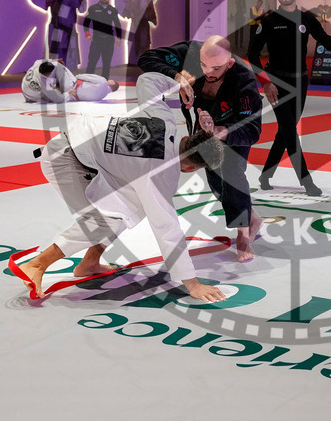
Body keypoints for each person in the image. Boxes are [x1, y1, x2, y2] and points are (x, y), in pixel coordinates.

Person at [14, 72, 228, 301]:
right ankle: (37, 265)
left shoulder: (164, 117)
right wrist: (193, 285)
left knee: (127, 208)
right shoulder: (162, 175)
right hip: (66, 161)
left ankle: (90, 262)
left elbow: (148, 80)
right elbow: (168, 230)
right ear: (192, 169)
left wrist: (177, 83)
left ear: (191, 136)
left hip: (76, 149)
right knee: (104, 221)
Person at [139, 36, 264, 261]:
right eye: (204, 65)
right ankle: (251, 217)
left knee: (233, 174)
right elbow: (147, 58)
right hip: (203, 123)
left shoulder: (244, 81)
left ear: (229, 64)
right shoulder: (190, 53)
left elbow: (253, 132)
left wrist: (220, 131)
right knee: (215, 179)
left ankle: (243, 234)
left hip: (232, 128)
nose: (208, 71)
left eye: (216, 68)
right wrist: (176, 76)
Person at [247, 0, 331, 196]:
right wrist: (266, 83)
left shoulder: (306, 19)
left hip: (300, 81)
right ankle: (307, 182)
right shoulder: (269, 21)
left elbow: (327, 41)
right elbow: (252, 54)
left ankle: (265, 175)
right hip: (277, 83)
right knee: (290, 132)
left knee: (285, 132)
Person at [21, 59, 119, 103]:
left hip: (26, 91)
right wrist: (69, 93)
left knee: (59, 67)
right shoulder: (101, 97)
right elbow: (56, 98)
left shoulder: (39, 63)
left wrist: (76, 77)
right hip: (73, 95)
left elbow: (86, 76)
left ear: (112, 83)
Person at [82, 0, 123, 79]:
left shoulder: (113, 10)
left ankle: (104, 81)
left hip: (109, 40)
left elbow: (117, 24)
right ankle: (87, 80)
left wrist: (119, 38)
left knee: (107, 62)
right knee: (92, 61)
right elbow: (86, 23)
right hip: (97, 39)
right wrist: (87, 34)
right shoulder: (93, 8)